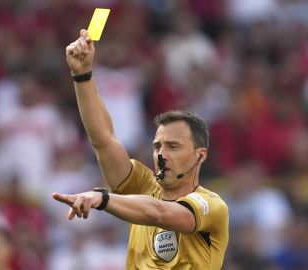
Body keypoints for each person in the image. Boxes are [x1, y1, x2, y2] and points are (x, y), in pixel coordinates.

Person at [52, 29, 229, 269]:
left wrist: (101, 198)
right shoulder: (143, 187)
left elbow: (160, 214)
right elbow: (104, 140)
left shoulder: (212, 205)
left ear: (200, 155)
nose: (161, 154)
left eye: (173, 146)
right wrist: (82, 75)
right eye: (157, 146)